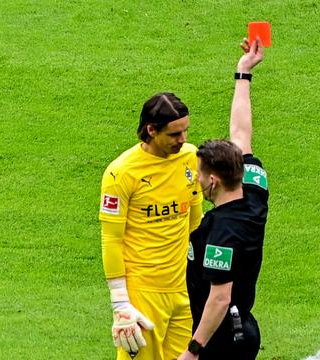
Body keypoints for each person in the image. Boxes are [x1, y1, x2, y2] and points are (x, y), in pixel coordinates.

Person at [178, 37, 268, 360]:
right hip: (244, 324)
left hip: (222, 340)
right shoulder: (254, 188)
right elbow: (241, 135)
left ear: (213, 181)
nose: (197, 180)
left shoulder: (221, 234)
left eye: (200, 174)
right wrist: (243, 74)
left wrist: (192, 352)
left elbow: (219, 298)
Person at [99, 92, 204, 359]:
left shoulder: (190, 158)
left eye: (185, 131)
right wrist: (120, 302)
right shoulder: (121, 173)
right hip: (143, 295)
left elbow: (195, 222)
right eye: (174, 134)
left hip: (183, 290)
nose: (183, 140)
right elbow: (111, 238)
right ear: (151, 130)